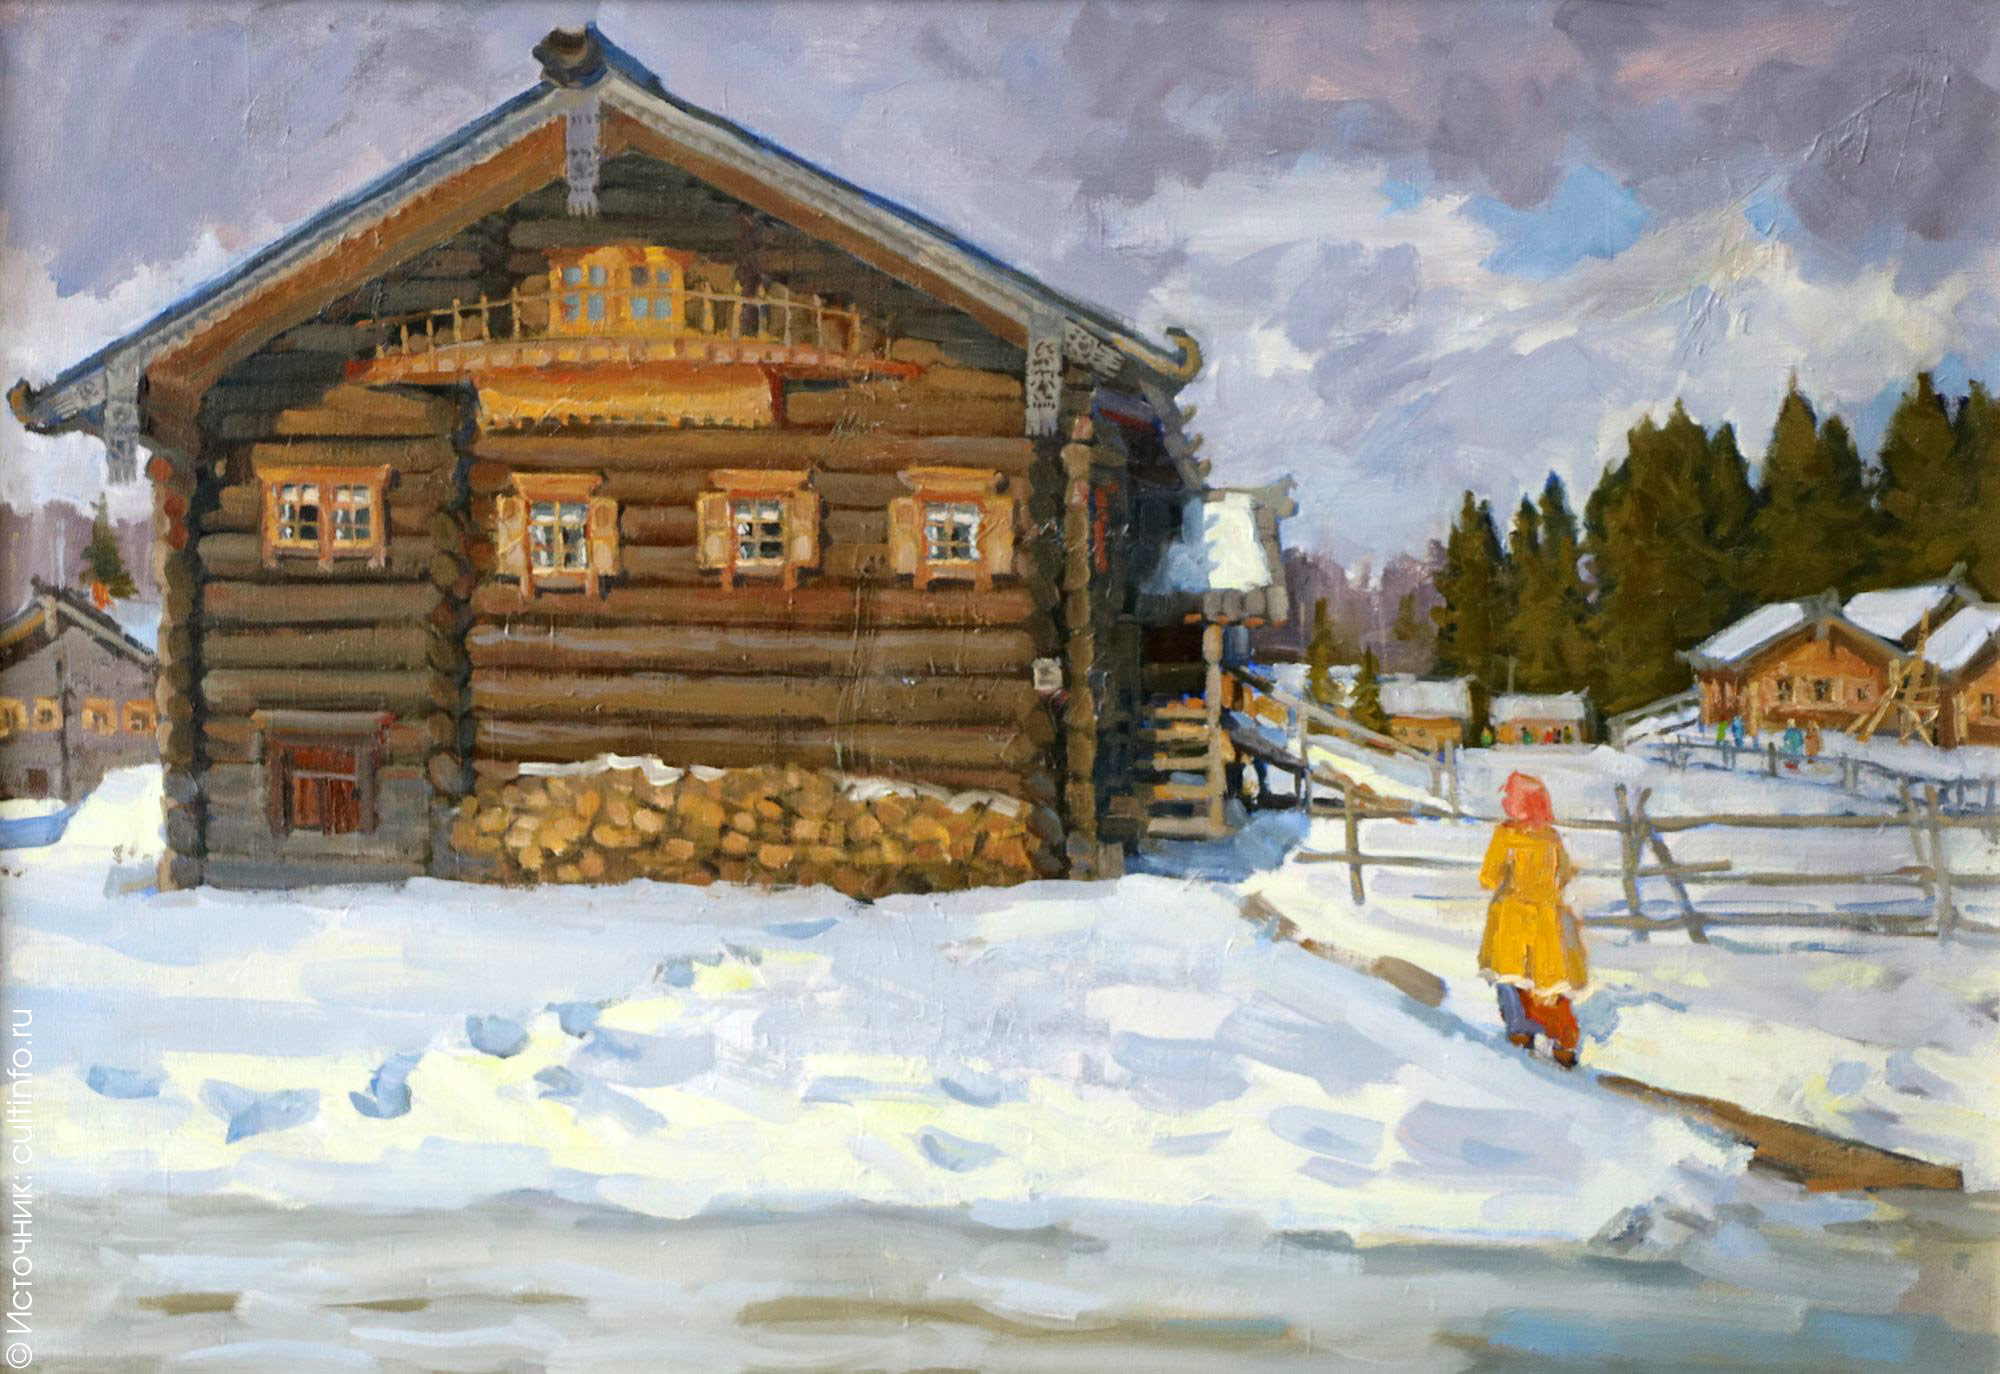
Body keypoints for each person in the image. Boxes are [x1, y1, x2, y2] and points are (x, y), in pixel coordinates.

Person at [1478, 772, 1587, 1068]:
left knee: (1511, 974)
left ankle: (1520, 1032)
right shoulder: (1551, 837)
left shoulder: (1505, 835)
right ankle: (1562, 1039)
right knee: (1548, 981)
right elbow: (1564, 875)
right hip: (1547, 918)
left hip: (1512, 916)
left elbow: (1488, 877)